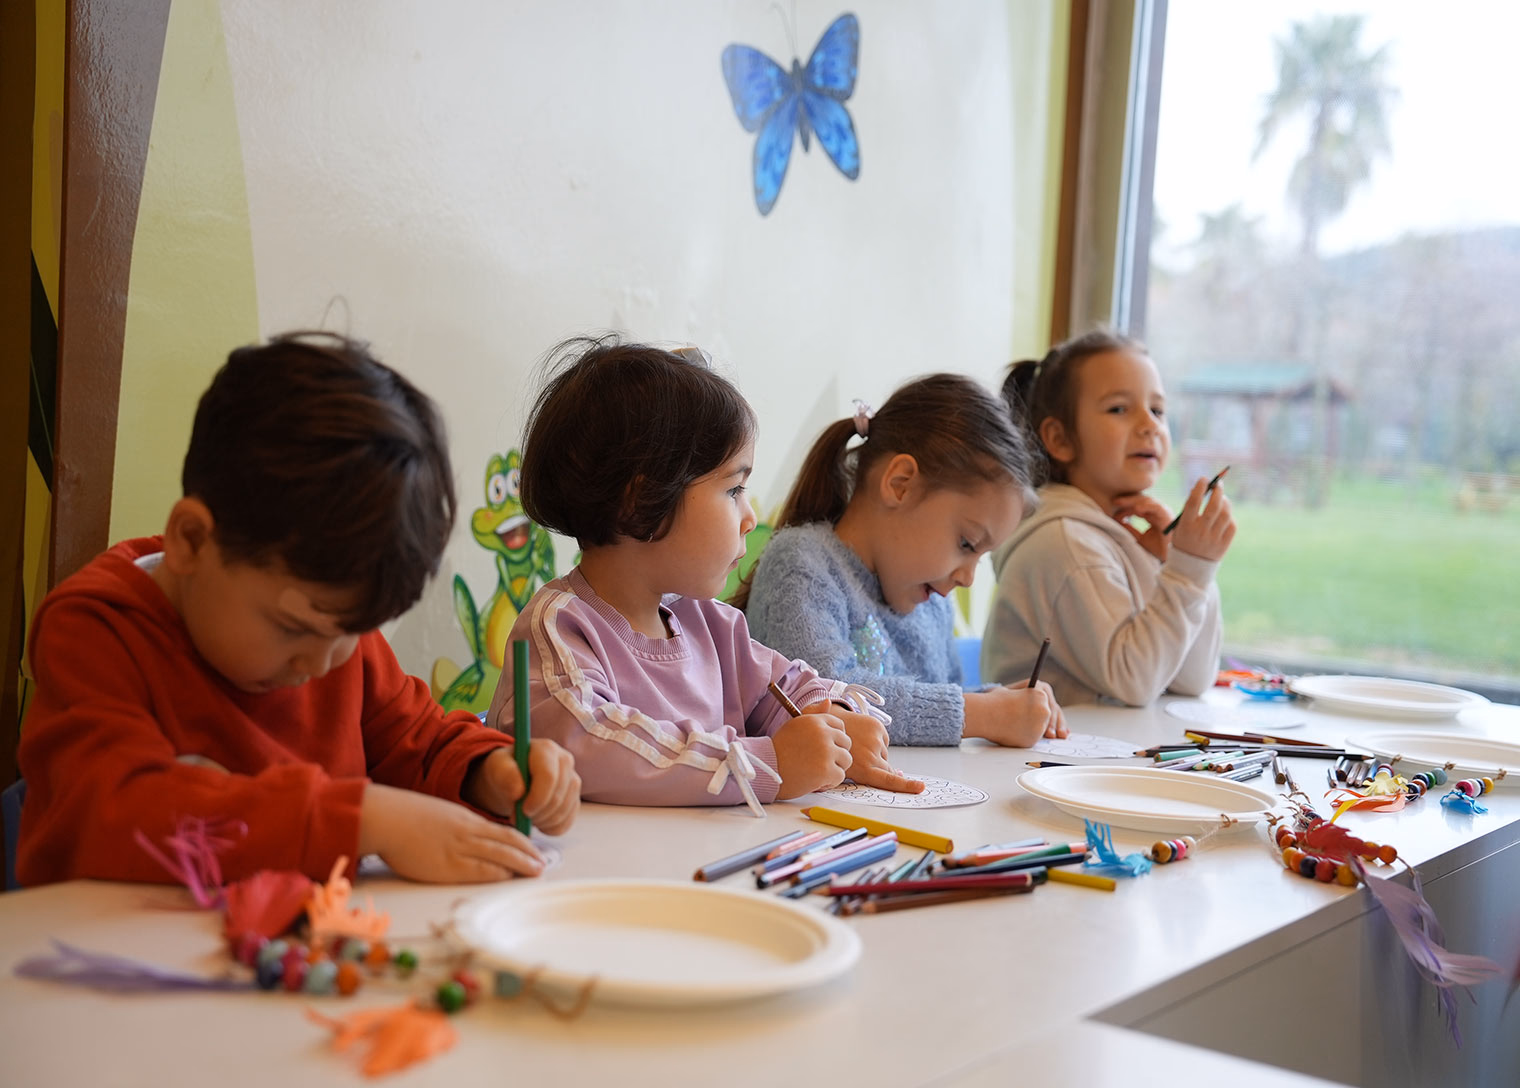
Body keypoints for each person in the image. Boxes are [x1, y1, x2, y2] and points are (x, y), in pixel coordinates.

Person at [17, 333, 580, 887]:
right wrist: (364, 819)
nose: (322, 663)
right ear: (190, 540)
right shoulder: (92, 632)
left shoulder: (335, 640)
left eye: (353, 632)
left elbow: (421, 740)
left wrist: (492, 772)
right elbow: (117, 815)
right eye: (293, 628)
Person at [486, 337, 920, 810]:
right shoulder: (560, 626)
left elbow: (787, 689)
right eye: (734, 489)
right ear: (641, 503)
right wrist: (768, 762)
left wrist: (830, 719)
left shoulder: (709, 624)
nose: (750, 517)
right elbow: (587, 743)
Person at [740, 373, 1066, 747]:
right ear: (900, 484)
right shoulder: (801, 564)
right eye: (966, 543)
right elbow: (824, 699)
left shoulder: (931, 603)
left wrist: (999, 701)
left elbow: (941, 698)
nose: (968, 578)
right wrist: (982, 713)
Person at [982, 329, 1234, 705]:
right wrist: (1187, 572)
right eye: (1119, 408)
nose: (1149, 424)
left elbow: (1192, 677)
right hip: (1049, 762)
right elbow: (1133, 680)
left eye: (1158, 410)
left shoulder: (1115, 535)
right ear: (1060, 439)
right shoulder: (1064, 543)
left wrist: (1180, 564)